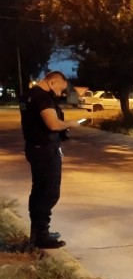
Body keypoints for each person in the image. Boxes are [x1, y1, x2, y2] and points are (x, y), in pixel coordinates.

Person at [19, 71, 83, 249]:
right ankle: (42, 236)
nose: (60, 94)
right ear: (53, 81)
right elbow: (53, 124)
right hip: (46, 150)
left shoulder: (28, 96)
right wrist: (71, 124)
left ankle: (38, 232)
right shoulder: (42, 98)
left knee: (39, 190)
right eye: (60, 89)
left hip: (34, 148)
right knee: (49, 192)